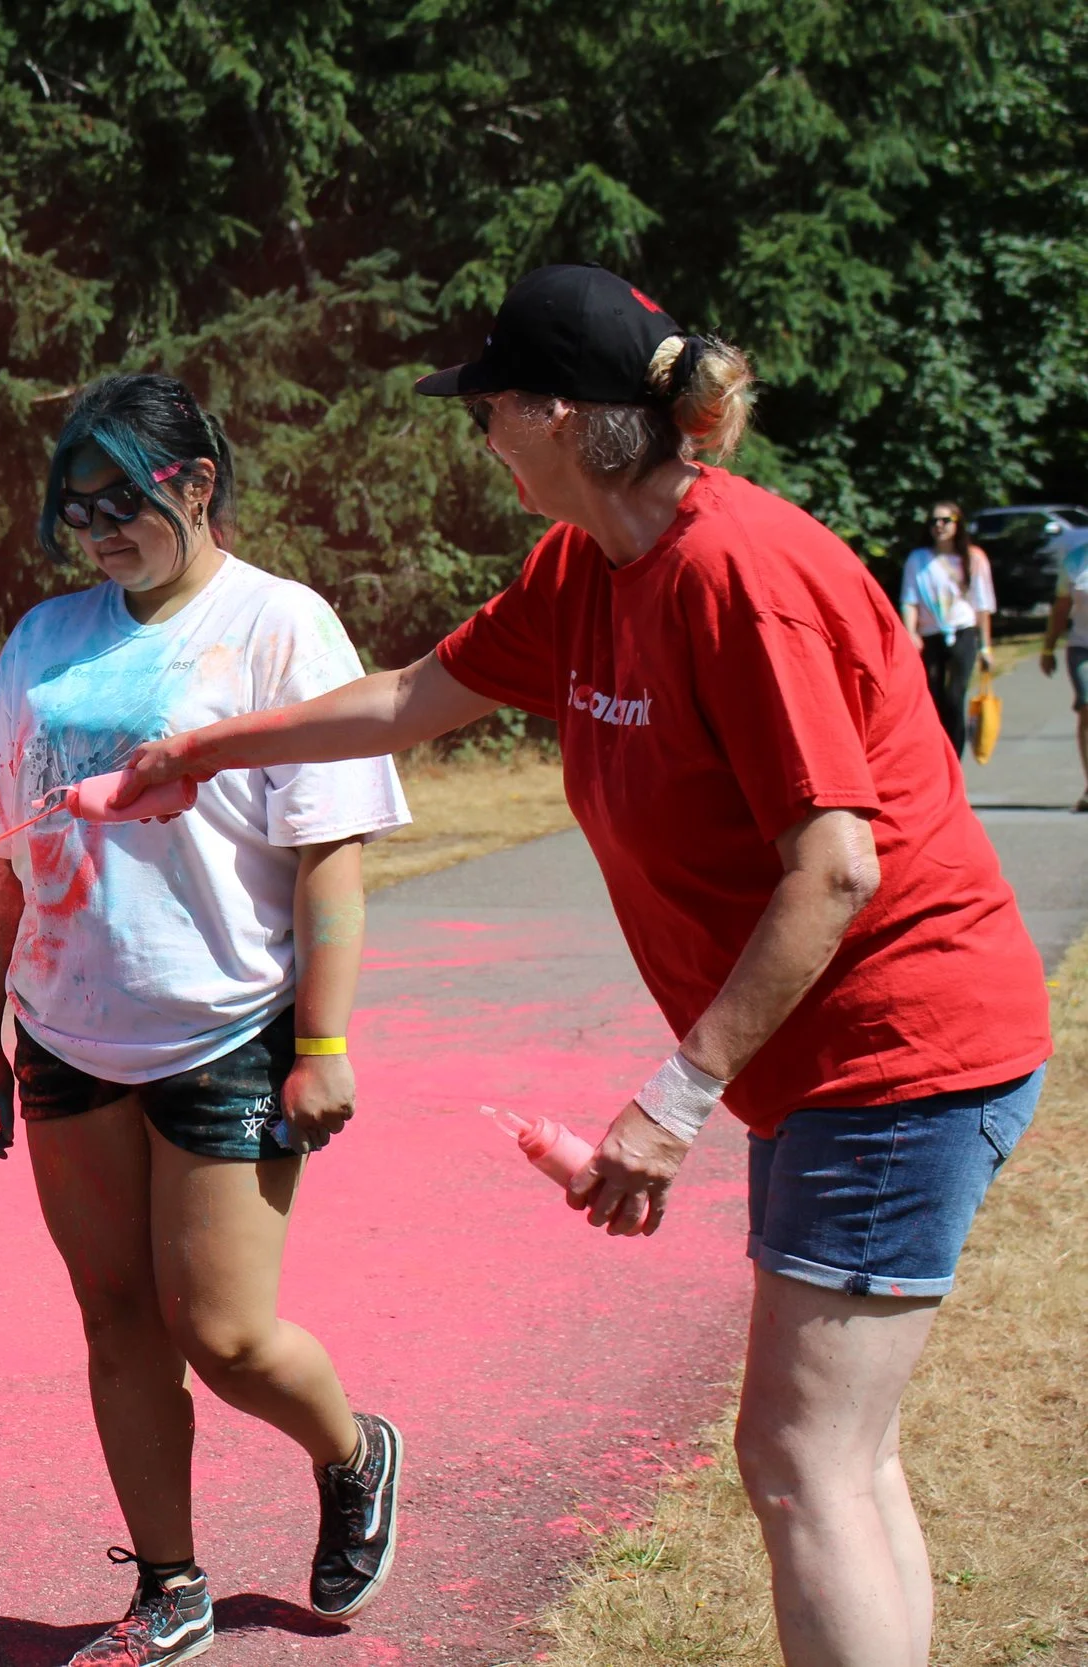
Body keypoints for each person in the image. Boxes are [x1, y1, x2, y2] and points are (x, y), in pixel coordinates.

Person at [119, 265, 1051, 1667]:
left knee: (802, 1459)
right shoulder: (588, 563)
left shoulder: (746, 575)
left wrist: (668, 1108)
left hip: (902, 1051)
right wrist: (200, 751)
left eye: (489, 407)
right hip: (838, 1072)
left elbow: (839, 866)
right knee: (845, 1459)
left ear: (559, 412)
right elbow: (413, 696)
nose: (480, 433)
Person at [0, 373, 413, 1661]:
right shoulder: (44, 640)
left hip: (227, 1030)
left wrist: (322, 1041)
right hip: (61, 1029)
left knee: (222, 1330)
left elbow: (328, 851)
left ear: (195, 484)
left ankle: (353, 1444)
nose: (97, 528)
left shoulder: (280, 625)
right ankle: (168, 1583)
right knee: (113, 1315)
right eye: (75, 506)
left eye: (121, 499)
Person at [899, 501, 995, 757]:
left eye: (945, 521)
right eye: (933, 522)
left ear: (957, 523)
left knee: (955, 697)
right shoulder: (918, 559)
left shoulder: (973, 558)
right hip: (930, 636)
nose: (939, 526)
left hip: (963, 632)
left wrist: (985, 646)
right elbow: (909, 599)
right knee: (933, 699)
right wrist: (911, 633)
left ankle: (955, 758)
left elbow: (982, 605)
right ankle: (936, 757)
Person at [1040, 532, 1088, 811]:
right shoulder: (1075, 560)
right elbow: (1061, 609)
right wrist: (1048, 649)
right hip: (1082, 647)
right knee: (1087, 708)